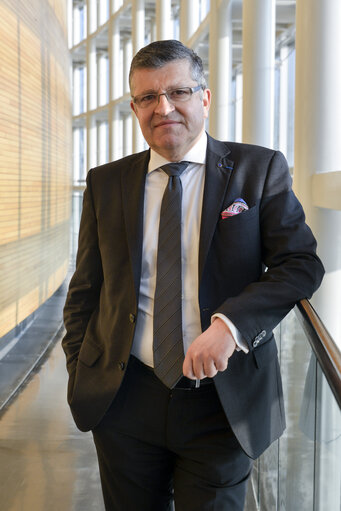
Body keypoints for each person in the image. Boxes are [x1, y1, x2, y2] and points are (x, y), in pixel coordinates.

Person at [62, 39, 324, 510]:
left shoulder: (257, 169)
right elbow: (86, 289)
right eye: (148, 98)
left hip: (221, 402)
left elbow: (301, 262)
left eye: (178, 92)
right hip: (123, 398)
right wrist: (80, 371)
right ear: (134, 107)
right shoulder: (107, 182)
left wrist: (232, 325)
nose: (164, 108)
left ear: (204, 97)